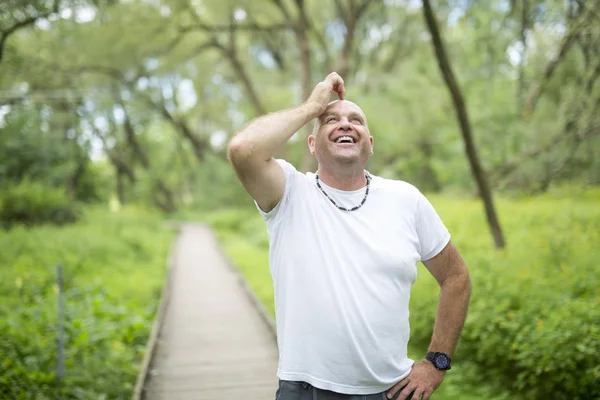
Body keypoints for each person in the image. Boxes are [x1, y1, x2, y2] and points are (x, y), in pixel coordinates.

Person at [227, 72, 472, 400]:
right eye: (331, 120)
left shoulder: (406, 199)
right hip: (305, 390)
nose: (345, 124)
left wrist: (436, 362)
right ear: (312, 144)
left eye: (356, 120)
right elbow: (243, 149)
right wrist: (313, 106)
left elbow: (456, 277)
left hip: (391, 391)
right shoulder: (289, 193)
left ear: (369, 145)